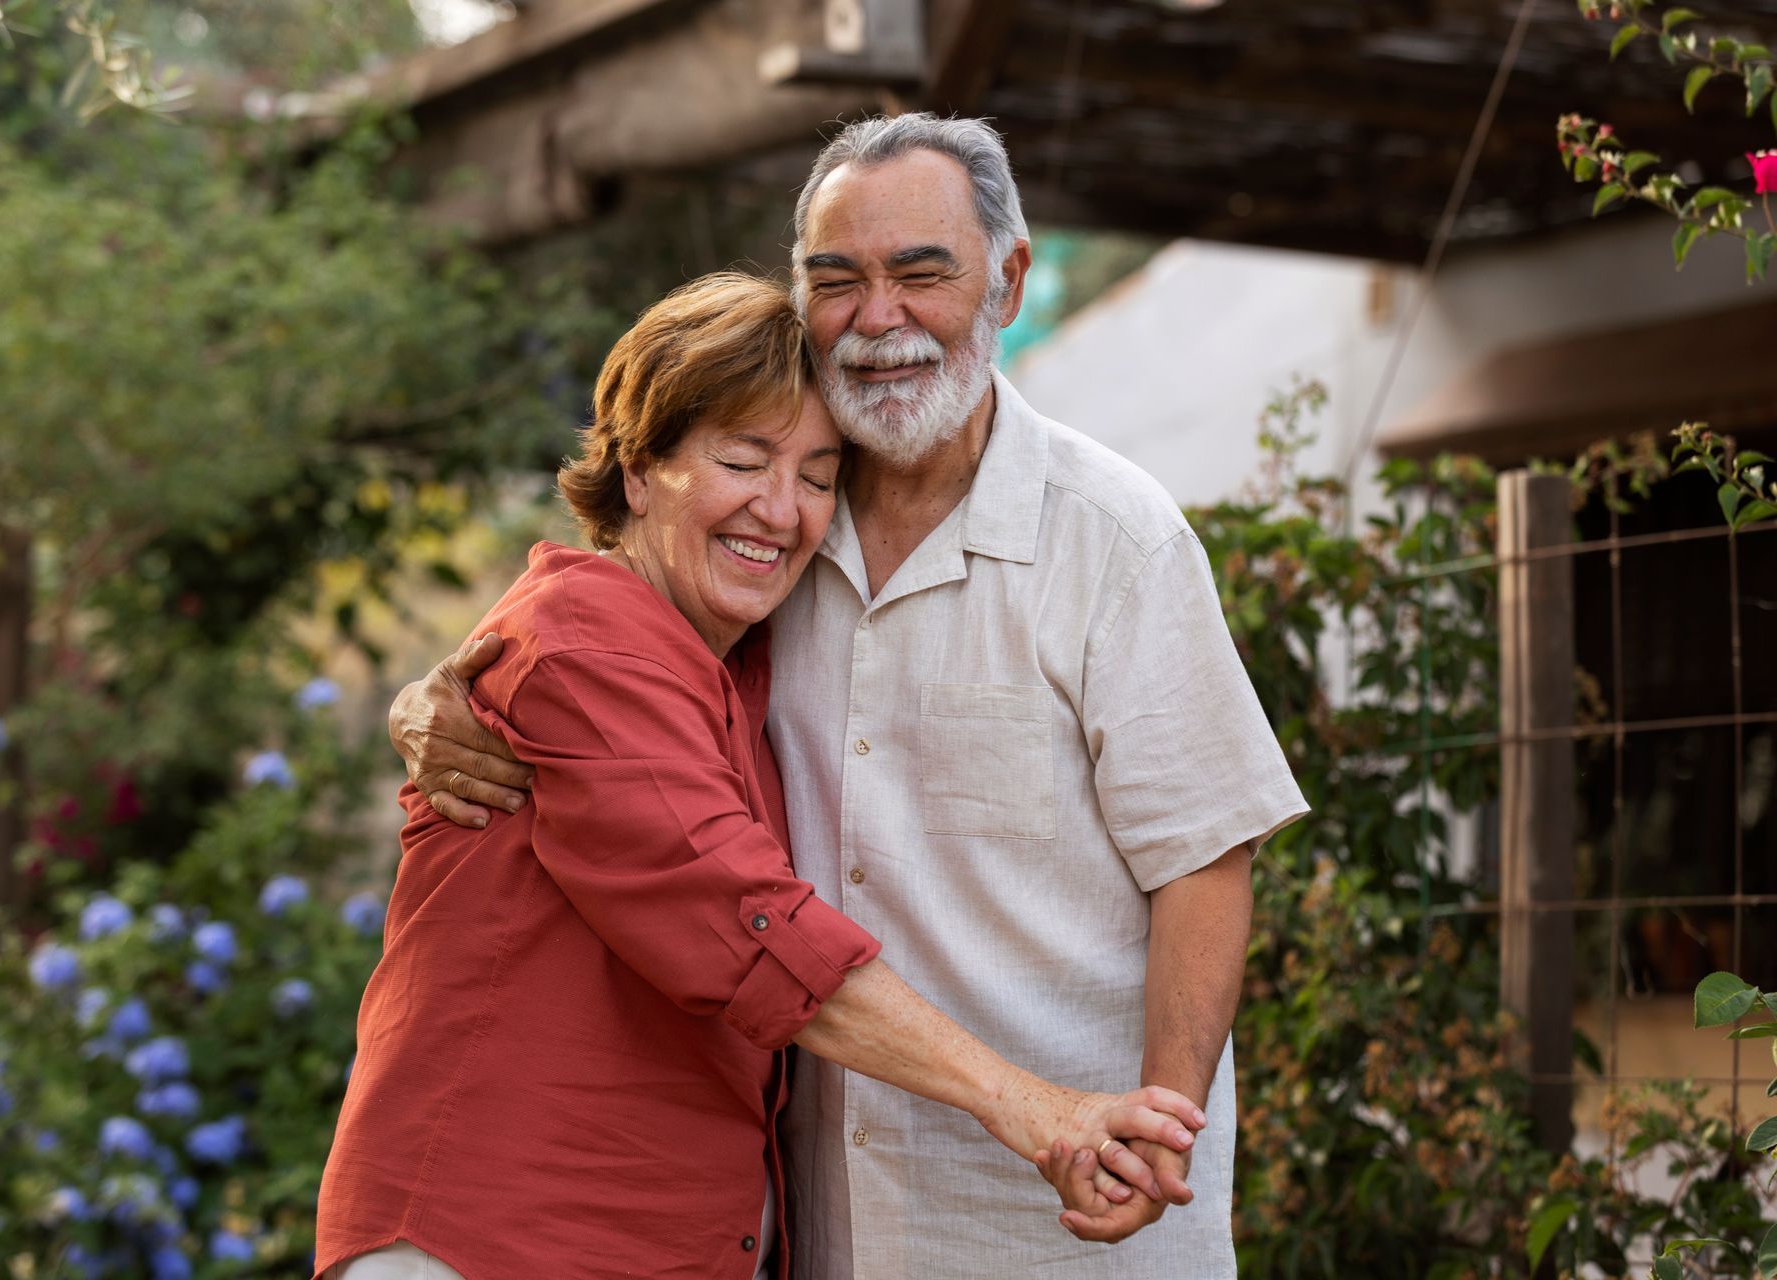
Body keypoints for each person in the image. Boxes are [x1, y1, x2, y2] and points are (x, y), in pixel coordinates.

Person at [396, 115, 1309, 1277]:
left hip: (1070, 1223)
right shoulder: (765, 550)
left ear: (1009, 279)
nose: (878, 319)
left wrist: (1160, 1121)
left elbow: (1203, 855)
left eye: (920, 273)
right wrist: (440, 694)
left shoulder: (1116, 540)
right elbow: (593, 647)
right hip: (840, 1219)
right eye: (839, 281)